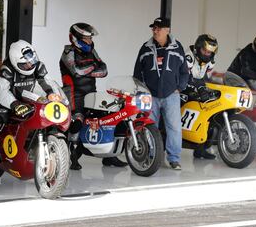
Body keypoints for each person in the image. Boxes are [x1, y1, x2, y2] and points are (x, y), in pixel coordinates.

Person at [60, 22, 127, 170]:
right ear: (76, 38)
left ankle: (109, 157)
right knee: (77, 121)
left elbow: (104, 70)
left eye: (90, 38)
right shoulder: (68, 53)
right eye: (87, 38)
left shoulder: (92, 51)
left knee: (106, 117)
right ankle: (71, 156)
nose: (90, 41)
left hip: (91, 92)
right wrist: (93, 68)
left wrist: (89, 69)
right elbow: (77, 71)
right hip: (73, 94)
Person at [0, 40, 55, 164]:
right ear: (15, 62)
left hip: (23, 98)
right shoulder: (7, 69)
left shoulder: (37, 65)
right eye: (25, 64)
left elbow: (46, 81)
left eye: (31, 61)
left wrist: (51, 93)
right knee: (1, 114)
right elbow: (4, 93)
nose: (30, 65)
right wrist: (15, 104)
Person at [133, 17, 189, 170]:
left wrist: (180, 87)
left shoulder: (178, 47)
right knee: (149, 128)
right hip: (149, 96)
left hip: (172, 95)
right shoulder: (145, 48)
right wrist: (141, 91)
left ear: (167, 30)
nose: (155, 31)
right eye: (154, 28)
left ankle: (174, 159)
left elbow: (185, 72)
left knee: (175, 128)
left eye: (159, 28)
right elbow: (137, 73)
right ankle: (151, 156)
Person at [182, 34, 219, 160]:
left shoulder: (211, 61)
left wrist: (205, 89)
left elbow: (206, 78)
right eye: (205, 50)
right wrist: (199, 88)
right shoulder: (188, 56)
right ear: (198, 48)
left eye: (210, 52)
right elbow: (184, 78)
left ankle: (200, 149)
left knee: (207, 111)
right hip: (182, 87)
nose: (207, 54)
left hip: (196, 87)